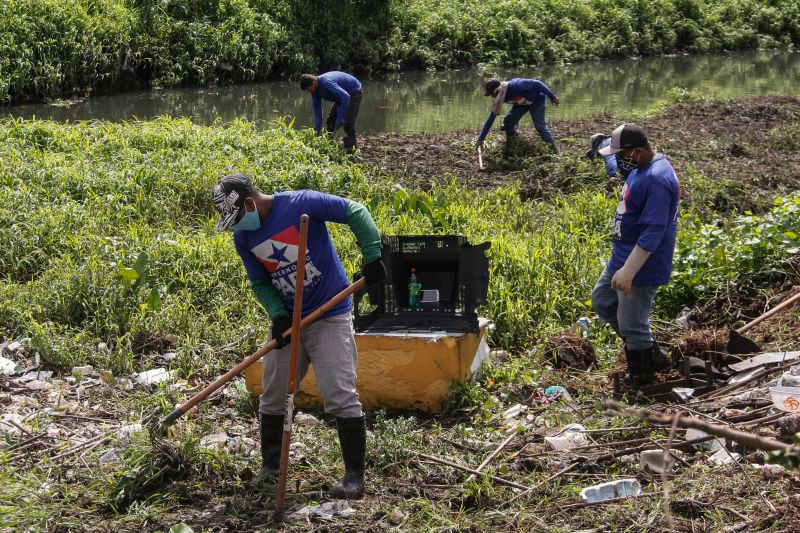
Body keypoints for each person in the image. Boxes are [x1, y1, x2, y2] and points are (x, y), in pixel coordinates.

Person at [212, 173, 386, 498]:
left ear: (250, 203)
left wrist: (372, 255)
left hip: (330, 314)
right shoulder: (244, 239)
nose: (238, 225)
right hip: (291, 320)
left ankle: (353, 477)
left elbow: (356, 211)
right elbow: (260, 283)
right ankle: (270, 466)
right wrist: (278, 316)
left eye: (238, 217)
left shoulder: (300, 203)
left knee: (339, 392)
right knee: (274, 391)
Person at [590, 124, 679, 386]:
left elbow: (653, 232)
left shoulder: (657, 179)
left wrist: (629, 271)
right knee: (603, 301)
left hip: (641, 264)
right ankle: (650, 352)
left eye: (620, 155)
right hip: (622, 257)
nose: (617, 160)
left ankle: (642, 380)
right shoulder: (641, 168)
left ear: (637, 152)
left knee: (632, 324)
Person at [475, 77, 560, 154]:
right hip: (521, 104)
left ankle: (554, 149)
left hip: (537, 101)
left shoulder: (515, 85)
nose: (492, 96)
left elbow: (538, 83)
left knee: (540, 125)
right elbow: (491, 118)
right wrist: (481, 139)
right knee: (508, 121)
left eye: (492, 94)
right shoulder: (499, 98)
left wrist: (553, 97)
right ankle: (512, 142)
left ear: (497, 90)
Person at [300, 71, 363, 152]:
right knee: (331, 120)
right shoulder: (314, 91)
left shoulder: (326, 82)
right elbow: (318, 112)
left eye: (309, 89)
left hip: (354, 93)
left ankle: (351, 148)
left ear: (314, 83)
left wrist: (340, 117)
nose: (309, 91)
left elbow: (345, 97)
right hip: (341, 95)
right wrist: (316, 130)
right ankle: (329, 143)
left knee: (348, 122)